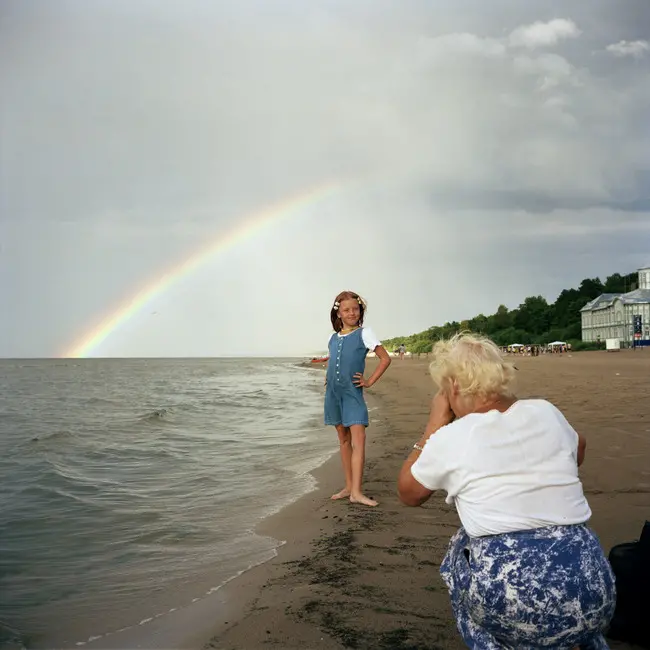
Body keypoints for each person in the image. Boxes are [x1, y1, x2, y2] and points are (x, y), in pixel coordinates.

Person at [397, 332, 616, 649]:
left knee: (460, 556)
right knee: (575, 624)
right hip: (592, 588)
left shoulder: (453, 437)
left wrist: (433, 427)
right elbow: (578, 447)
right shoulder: (545, 411)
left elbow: (409, 492)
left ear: (453, 388)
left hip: (512, 598)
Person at [325, 291, 391, 507]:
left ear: (360, 310)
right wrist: (329, 379)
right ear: (339, 314)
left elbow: (385, 358)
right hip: (333, 395)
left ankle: (357, 492)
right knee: (343, 441)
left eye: (355, 309)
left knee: (358, 441)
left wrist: (369, 381)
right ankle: (348, 486)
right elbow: (335, 360)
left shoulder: (365, 333)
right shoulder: (333, 338)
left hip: (352, 394)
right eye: (346, 310)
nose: (352, 313)